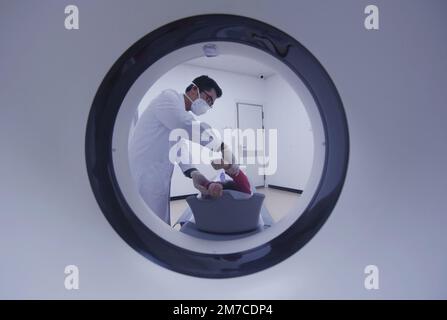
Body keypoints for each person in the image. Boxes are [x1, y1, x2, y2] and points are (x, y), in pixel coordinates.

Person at [128, 75, 222, 225]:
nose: (207, 105)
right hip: (146, 175)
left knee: (158, 222)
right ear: (193, 90)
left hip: (157, 175)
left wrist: (193, 172)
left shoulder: (176, 114)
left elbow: (179, 149)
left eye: (211, 104)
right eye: (208, 99)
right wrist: (220, 146)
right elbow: (185, 124)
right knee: (148, 225)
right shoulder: (168, 98)